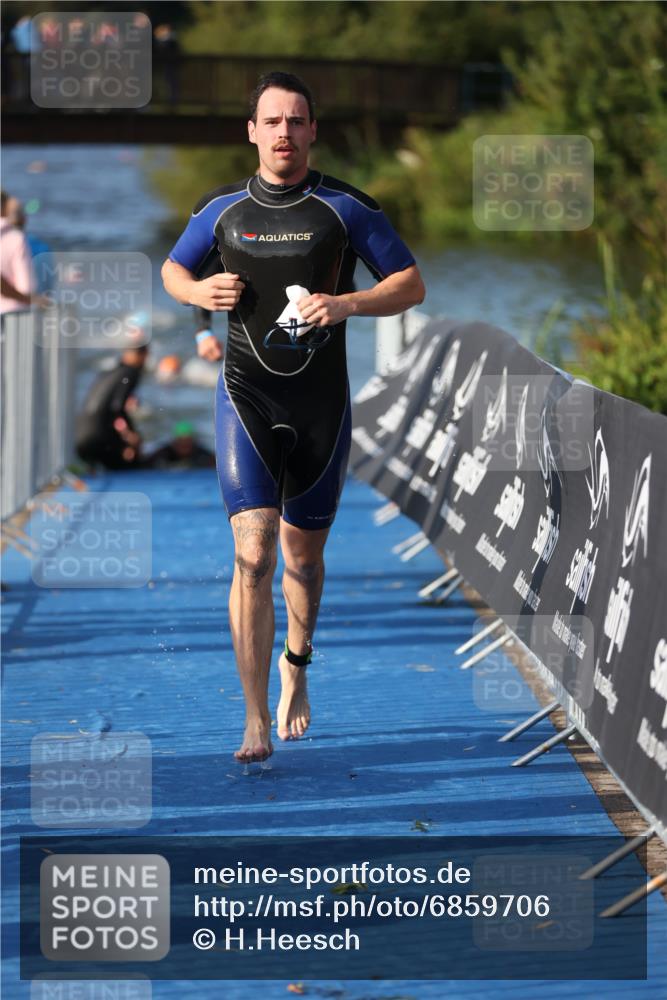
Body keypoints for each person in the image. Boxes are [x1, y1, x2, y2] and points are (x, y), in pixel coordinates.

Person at [161, 72, 425, 763]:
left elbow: (409, 283)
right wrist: (195, 287)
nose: (283, 133)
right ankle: (251, 719)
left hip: (321, 406)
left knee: (301, 562)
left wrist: (346, 305)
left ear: (312, 131)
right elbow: (171, 269)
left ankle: (295, 668)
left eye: (296, 121)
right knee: (252, 553)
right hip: (245, 396)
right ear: (251, 131)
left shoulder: (345, 209)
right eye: (271, 121)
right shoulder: (220, 210)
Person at [75, 343, 148, 470]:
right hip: (99, 441)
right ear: (141, 356)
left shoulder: (109, 372)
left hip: (81, 439)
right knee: (134, 462)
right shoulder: (130, 372)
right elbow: (117, 408)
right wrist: (130, 435)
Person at [147, 420, 216, 469]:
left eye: (187, 441)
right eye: (181, 441)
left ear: (193, 441)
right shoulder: (161, 455)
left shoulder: (203, 455)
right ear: (174, 442)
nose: (184, 444)